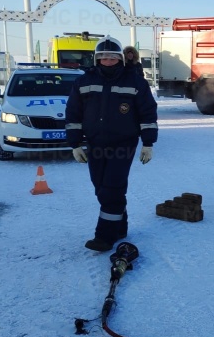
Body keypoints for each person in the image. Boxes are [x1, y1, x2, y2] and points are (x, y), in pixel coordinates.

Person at [65, 36, 158, 252]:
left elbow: (147, 112)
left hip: (124, 143)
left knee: (111, 189)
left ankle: (104, 237)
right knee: (100, 187)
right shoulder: (84, 81)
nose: (108, 60)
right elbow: (73, 113)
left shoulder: (134, 81)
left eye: (112, 57)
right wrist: (75, 144)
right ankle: (120, 226)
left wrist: (148, 143)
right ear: (97, 59)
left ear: (120, 59)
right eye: (103, 57)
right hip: (95, 143)